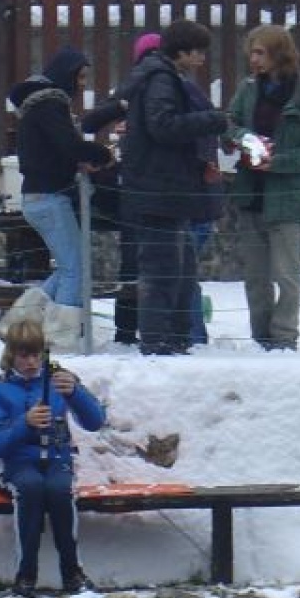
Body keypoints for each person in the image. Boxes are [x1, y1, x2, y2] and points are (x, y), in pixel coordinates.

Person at [118, 19, 229, 356]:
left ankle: (175, 338)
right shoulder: (162, 80)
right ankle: (159, 341)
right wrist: (213, 120)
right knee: (163, 271)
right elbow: (163, 126)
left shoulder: (160, 77)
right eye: (198, 52)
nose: (202, 60)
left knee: (177, 271)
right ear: (181, 51)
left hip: (166, 190)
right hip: (160, 190)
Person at [226, 24, 300, 352]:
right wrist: (246, 140)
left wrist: (280, 161)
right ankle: (261, 338)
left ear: (278, 54)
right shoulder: (247, 90)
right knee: (255, 277)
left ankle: (285, 339)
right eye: (251, 53)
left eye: (260, 53)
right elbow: (230, 123)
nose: (253, 60)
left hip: (287, 198)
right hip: (251, 193)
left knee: (286, 276)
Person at [0, 318, 106, 598]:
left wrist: (76, 393)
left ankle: (72, 571)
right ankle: (26, 573)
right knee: (30, 488)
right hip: (17, 463)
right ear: (11, 355)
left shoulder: (60, 379)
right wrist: (24, 423)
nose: (31, 362)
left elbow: (95, 421)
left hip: (57, 457)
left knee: (60, 490)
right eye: (24, 355)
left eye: (36, 354)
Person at [5, 46, 114, 351]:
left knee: (68, 265)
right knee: (75, 268)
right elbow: (69, 145)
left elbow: (55, 151)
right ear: (66, 74)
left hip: (38, 196)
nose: (82, 84)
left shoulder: (38, 106)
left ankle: (19, 322)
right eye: (80, 77)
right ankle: (61, 335)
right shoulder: (51, 105)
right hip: (49, 197)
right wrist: (102, 155)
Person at [79, 31, 161, 346]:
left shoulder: (132, 90)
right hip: (157, 187)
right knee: (165, 264)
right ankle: (161, 331)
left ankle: (126, 333)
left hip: (133, 187)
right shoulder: (160, 90)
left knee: (132, 263)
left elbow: (90, 122)